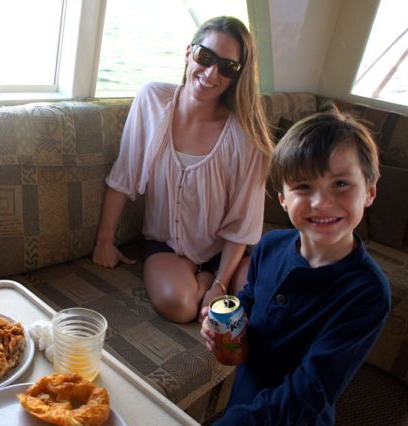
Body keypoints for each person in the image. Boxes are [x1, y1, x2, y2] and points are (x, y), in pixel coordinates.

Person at [200, 106, 391, 424]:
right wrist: (228, 318)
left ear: (369, 192)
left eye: (341, 184)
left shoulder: (367, 293)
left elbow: (310, 392)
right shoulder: (270, 245)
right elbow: (251, 296)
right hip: (245, 400)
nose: (321, 202)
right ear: (283, 198)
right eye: (303, 186)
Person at [92, 16, 273, 323]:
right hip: (167, 245)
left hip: (227, 250)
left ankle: (214, 279)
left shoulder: (246, 136)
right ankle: (200, 282)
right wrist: (104, 242)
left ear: (237, 76)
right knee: (179, 306)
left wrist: (219, 284)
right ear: (189, 52)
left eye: (228, 67)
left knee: (258, 309)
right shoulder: (152, 99)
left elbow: (243, 222)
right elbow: (124, 176)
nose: (212, 73)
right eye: (206, 57)